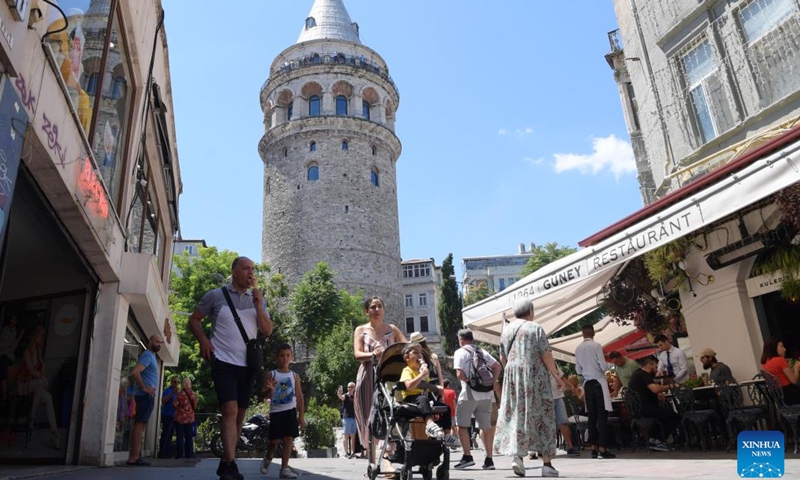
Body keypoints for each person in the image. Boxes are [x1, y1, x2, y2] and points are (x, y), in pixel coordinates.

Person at [188, 256, 273, 480]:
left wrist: (258, 306)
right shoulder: (216, 296)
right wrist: (204, 340)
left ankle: (226, 462)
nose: (251, 272)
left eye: (252, 269)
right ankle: (232, 466)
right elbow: (194, 320)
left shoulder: (258, 299)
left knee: (239, 416)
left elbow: (267, 330)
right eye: (246, 268)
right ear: (234, 272)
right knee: (230, 409)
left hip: (248, 366)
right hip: (223, 362)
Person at [494, 299, 566, 478]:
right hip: (534, 375)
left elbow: (502, 359)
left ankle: (517, 457)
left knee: (517, 415)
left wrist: (499, 379)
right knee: (543, 414)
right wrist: (557, 376)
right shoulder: (535, 328)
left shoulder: (506, 331)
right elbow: (546, 354)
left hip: (512, 377)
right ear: (531, 312)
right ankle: (547, 464)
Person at [352, 296, 406, 474]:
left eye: (379, 306)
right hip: (368, 376)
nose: (376, 310)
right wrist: (372, 354)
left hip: (388, 376)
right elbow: (357, 354)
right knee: (368, 416)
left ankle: (386, 461)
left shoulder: (392, 329)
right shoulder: (361, 330)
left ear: (383, 310)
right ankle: (372, 460)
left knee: (388, 414)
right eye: (373, 307)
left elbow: (407, 347)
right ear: (366, 311)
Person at [453, 328, 502, 471]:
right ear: (472, 339)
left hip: (469, 394)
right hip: (487, 395)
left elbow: (459, 374)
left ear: (461, 340)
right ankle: (489, 460)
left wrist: (468, 380)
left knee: (462, 425)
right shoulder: (482, 351)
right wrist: (492, 382)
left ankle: (467, 456)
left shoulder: (460, 352)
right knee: (486, 428)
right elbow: (497, 366)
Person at [260, 344, 305, 479]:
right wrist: (269, 390)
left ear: (291, 357)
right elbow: (263, 395)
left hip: (290, 411)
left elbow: (299, 395)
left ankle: (284, 468)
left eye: (287, 355)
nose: (284, 358)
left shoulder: (294, 376)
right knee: (274, 441)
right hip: (276, 412)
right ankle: (268, 456)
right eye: (281, 355)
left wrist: (301, 416)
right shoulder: (271, 374)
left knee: (288, 439)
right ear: (276, 358)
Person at [575, 324, 616, 460]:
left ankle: (594, 447)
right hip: (598, 382)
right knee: (602, 416)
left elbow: (578, 370)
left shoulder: (578, 348)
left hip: (588, 384)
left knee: (592, 417)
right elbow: (603, 365)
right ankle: (603, 448)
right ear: (593, 333)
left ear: (582, 334)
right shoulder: (596, 346)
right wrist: (611, 366)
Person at [126, 334, 164, 466]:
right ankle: (134, 457)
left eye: (161, 342)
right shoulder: (148, 355)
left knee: (140, 426)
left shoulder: (151, 356)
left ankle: (135, 456)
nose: (159, 344)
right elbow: (135, 372)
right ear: (150, 341)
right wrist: (145, 388)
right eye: (157, 341)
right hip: (144, 396)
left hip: (145, 397)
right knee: (139, 426)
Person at [628, 356, 680, 451]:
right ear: (649, 365)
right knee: (674, 416)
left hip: (637, 410)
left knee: (664, 414)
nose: (656, 370)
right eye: (655, 367)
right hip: (646, 409)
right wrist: (671, 386)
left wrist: (659, 393)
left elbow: (649, 389)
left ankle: (653, 440)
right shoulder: (644, 375)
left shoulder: (637, 374)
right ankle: (659, 441)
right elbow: (655, 389)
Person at [398, 342, 447, 439]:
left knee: (445, 407)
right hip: (411, 398)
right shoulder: (407, 370)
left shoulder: (421, 371)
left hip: (424, 398)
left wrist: (437, 389)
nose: (419, 355)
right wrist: (421, 375)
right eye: (416, 352)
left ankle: (447, 432)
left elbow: (428, 386)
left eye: (421, 353)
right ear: (407, 357)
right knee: (423, 399)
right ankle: (429, 423)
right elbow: (409, 386)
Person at [761, 337, 800, 405]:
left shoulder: (765, 362)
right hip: (790, 395)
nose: (784, 349)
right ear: (774, 348)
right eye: (781, 347)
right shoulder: (780, 360)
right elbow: (794, 381)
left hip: (779, 397)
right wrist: (797, 367)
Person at [173, 377, 198, 459]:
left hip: (180, 418)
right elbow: (195, 405)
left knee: (180, 437)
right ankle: (189, 454)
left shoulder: (180, 394)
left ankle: (180, 454)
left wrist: (180, 408)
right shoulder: (193, 394)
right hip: (190, 418)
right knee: (189, 437)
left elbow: (175, 404)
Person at [0, 315, 23, 400]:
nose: (12, 321)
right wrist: (8, 344)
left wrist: (10, 343)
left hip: (8, 356)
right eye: (12, 319)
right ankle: (4, 388)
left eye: (15, 320)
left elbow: (12, 347)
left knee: (4, 364)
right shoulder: (5, 329)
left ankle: (5, 389)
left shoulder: (14, 332)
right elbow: (3, 344)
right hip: (2, 354)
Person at [158, 376, 180, 458]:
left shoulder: (177, 393)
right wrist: (172, 394)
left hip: (173, 415)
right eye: (175, 382)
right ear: (171, 382)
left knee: (170, 434)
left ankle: (167, 452)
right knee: (165, 433)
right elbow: (163, 401)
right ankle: (162, 452)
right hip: (167, 415)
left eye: (178, 382)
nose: (176, 384)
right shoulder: (168, 391)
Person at [337, 382, 357, 459]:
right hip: (347, 418)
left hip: (354, 418)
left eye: (351, 387)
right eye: (348, 387)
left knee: (353, 436)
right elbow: (341, 397)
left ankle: (352, 453)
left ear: (354, 388)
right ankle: (345, 453)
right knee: (346, 436)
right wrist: (338, 393)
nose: (350, 388)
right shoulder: (346, 395)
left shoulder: (355, 396)